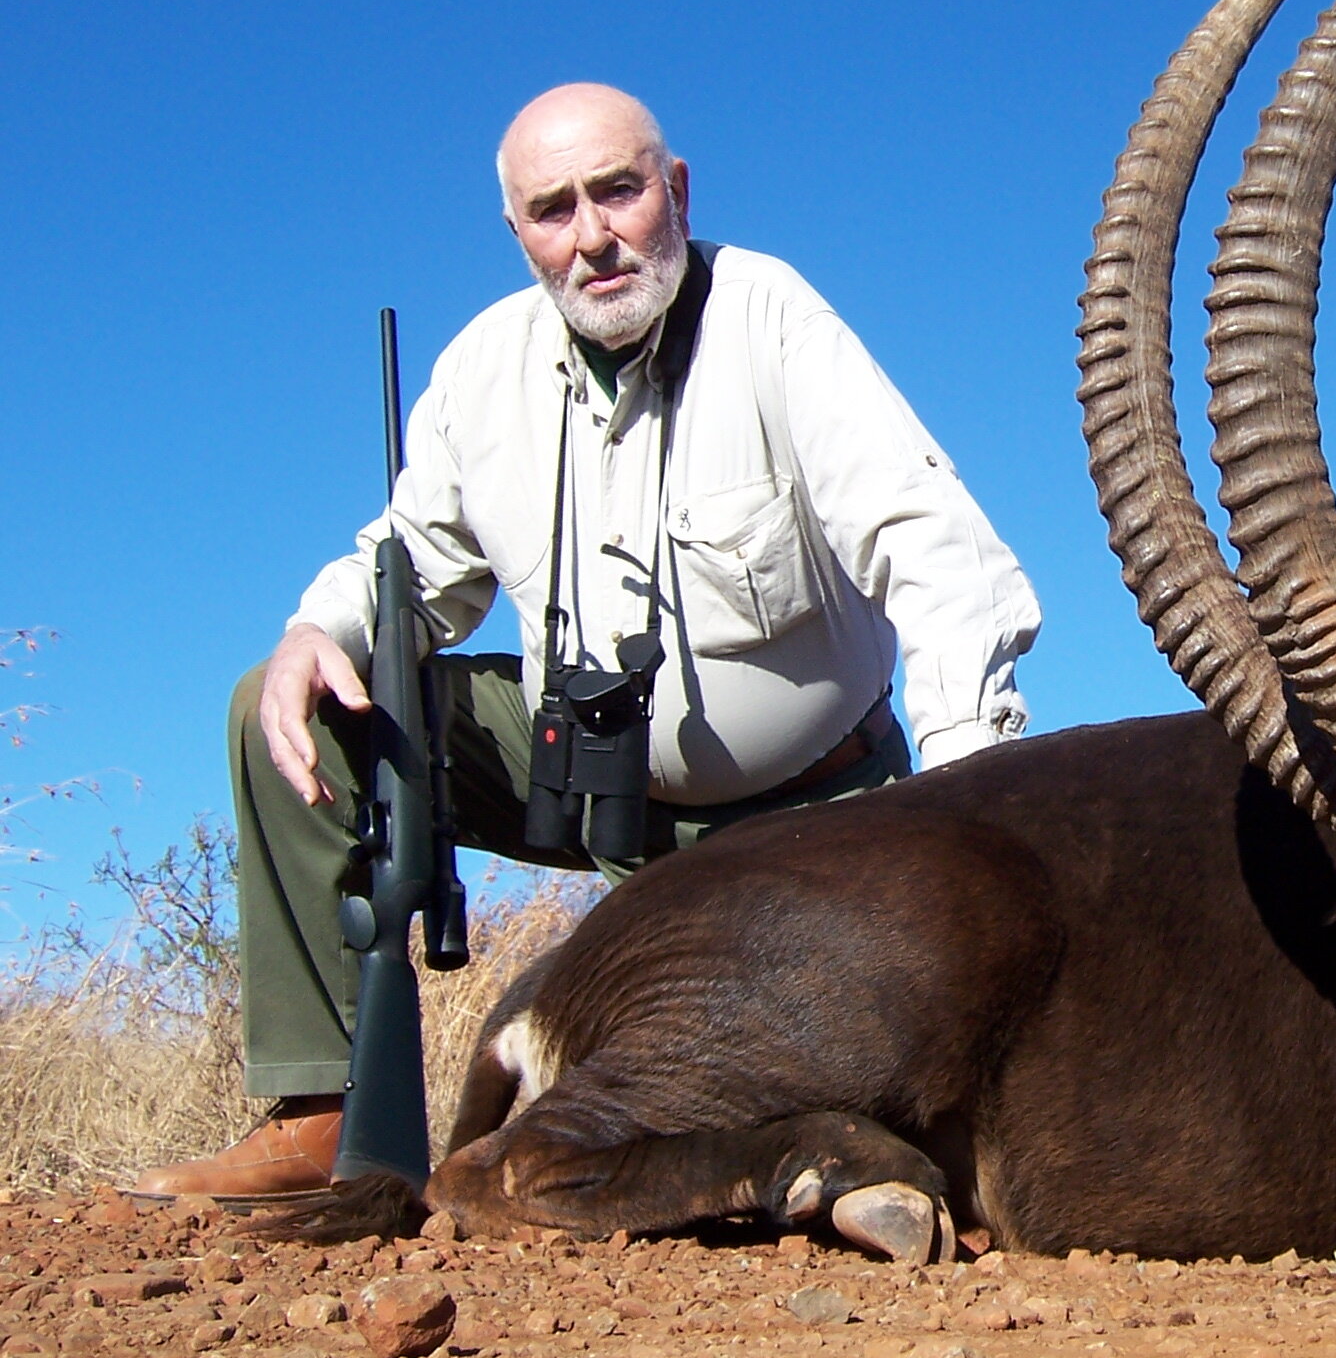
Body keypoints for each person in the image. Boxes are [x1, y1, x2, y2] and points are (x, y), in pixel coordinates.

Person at [135, 83, 1041, 1199]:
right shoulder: (480, 370)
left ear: (676, 190)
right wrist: (316, 629)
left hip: (815, 812)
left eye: (619, 191)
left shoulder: (770, 317)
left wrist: (959, 798)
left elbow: (938, 549)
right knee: (292, 702)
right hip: (585, 785)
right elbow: (413, 563)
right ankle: (324, 1115)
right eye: (554, 209)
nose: (595, 235)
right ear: (517, 233)